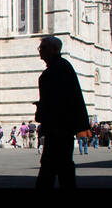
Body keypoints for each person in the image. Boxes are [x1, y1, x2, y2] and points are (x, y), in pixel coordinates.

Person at [35, 36, 90, 189]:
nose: (40, 51)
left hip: (59, 127)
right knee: (60, 165)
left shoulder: (58, 68)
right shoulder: (60, 66)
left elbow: (60, 100)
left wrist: (42, 110)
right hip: (60, 127)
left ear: (54, 49)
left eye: (43, 47)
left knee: (54, 165)